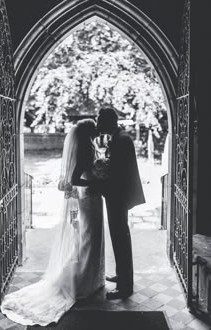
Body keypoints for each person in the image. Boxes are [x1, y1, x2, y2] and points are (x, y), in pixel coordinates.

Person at [0, 119, 105, 326]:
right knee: (88, 240)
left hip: (90, 198)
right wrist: (96, 180)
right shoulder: (85, 151)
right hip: (89, 199)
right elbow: (74, 179)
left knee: (88, 239)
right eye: (94, 128)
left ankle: (89, 278)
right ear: (86, 133)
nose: (97, 130)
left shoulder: (89, 147)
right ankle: (83, 282)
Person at [95, 107, 145, 300]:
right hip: (117, 196)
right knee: (119, 237)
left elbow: (118, 174)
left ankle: (125, 287)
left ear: (108, 121)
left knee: (120, 238)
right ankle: (122, 275)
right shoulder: (118, 137)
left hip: (118, 196)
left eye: (99, 120)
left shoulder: (121, 140)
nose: (98, 124)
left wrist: (100, 183)